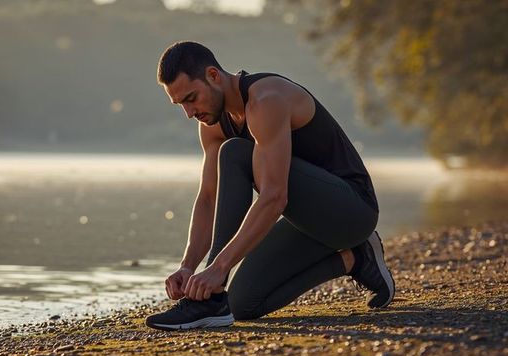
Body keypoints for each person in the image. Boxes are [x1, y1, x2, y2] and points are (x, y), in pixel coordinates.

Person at [145, 41, 395, 331]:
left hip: (352, 210)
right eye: (181, 105)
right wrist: (188, 266)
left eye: (191, 98)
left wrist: (218, 269)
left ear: (213, 75)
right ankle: (356, 258)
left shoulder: (266, 99)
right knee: (242, 305)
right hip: (308, 223)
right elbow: (209, 199)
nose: (189, 112)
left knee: (235, 153)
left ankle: (209, 300)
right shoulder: (212, 124)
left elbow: (274, 196)